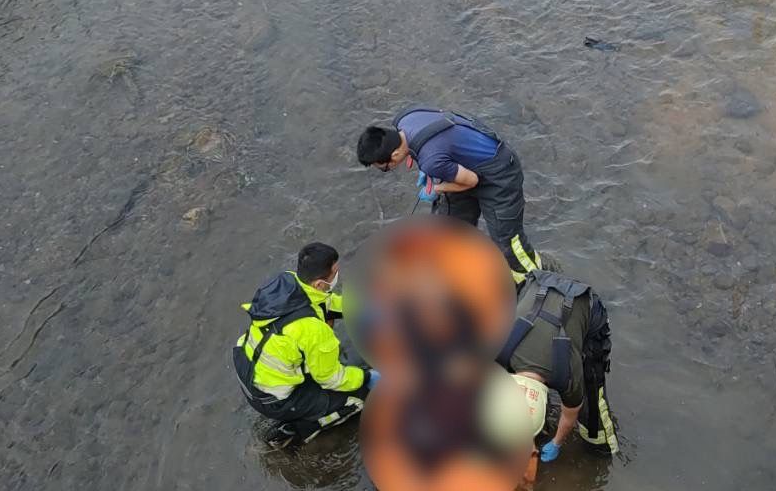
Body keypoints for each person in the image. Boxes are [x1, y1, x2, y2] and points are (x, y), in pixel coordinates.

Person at [356, 108, 542, 282]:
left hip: (498, 175)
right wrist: (419, 158)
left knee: (508, 242)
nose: (388, 169)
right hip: (460, 165)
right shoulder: (404, 118)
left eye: (385, 168)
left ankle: (535, 281)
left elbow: (472, 181)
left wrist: (436, 189)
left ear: (395, 154)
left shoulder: (432, 160)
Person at [232, 242, 378, 447]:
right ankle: (293, 432)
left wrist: (361, 309)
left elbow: (325, 303)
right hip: (272, 398)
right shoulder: (313, 330)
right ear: (319, 283)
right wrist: (367, 376)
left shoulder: (290, 281)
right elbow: (331, 379)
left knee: (319, 356)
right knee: (361, 398)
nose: (338, 274)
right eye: (335, 272)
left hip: (252, 367)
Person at [494, 271, 618, 460]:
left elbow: (570, 414)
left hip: (583, 301)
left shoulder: (567, 375)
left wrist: (557, 442)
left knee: (591, 391)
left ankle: (600, 447)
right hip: (536, 284)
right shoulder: (498, 352)